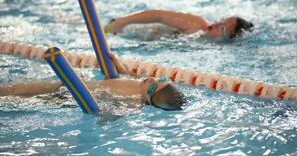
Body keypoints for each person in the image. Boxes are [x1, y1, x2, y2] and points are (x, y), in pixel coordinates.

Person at [0, 53, 187, 111]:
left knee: (19, 100)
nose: (153, 79)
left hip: (70, 96)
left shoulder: (133, 102)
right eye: (162, 79)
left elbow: (112, 113)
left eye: (154, 85)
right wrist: (118, 64)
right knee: (18, 88)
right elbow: (126, 74)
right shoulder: (140, 84)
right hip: (72, 85)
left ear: (148, 100)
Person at [104, 9, 254, 39]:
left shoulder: (203, 42)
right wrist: (119, 23)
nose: (213, 24)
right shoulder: (197, 24)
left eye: (221, 27)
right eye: (220, 20)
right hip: (119, 32)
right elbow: (158, 15)